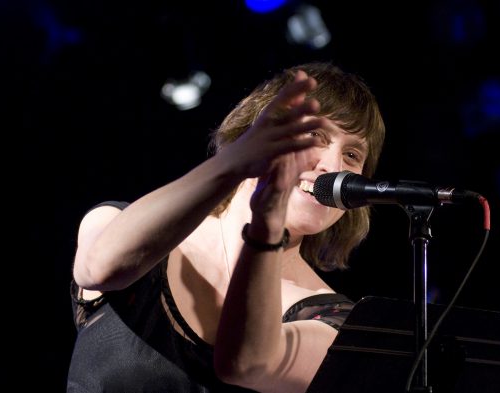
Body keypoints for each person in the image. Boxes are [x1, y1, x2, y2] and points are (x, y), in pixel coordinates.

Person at [67, 62, 386, 392]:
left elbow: (247, 366)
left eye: (351, 155)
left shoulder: (336, 319)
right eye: (315, 135)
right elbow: (101, 269)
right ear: (257, 132)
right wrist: (234, 162)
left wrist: (268, 224)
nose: (333, 167)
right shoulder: (116, 221)